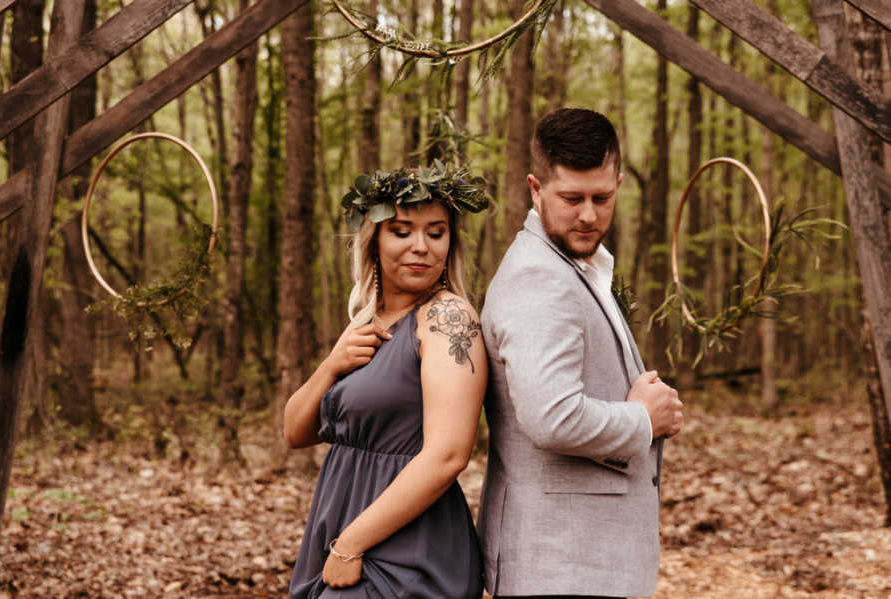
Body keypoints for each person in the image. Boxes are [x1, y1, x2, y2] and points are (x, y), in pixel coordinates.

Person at [477, 108, 685, 599]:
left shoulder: (574, 268)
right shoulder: (538, 279)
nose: (589, 214)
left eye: (602, 197)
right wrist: (642, 420)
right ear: (535, 188)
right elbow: (552, 417)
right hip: (559, 561)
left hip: (582, 557)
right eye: (571, 198)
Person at [284, 163, 489, 599]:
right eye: (401, 231)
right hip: (340, 525)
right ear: (373, 240)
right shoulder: (366, 323)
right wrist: (331, 365)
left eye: (436, 233)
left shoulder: (446, 317)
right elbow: (294, 432)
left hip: (407, 549)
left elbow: (449, 455)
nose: (421, 247)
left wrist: (350, 545)